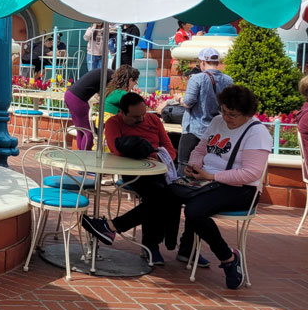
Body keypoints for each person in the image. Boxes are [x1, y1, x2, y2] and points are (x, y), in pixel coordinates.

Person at [170, 85, 271, 288]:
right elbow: (200, 150)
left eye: (232, 114)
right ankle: (123, 232)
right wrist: (195, 165)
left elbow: (251, 173)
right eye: (223, 111)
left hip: (241, 189)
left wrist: (212, 175)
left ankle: (228, 259)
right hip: (208, 181)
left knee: (195, 211)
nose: (226, 117)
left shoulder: (257, 132)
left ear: (247, 114)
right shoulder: (217, 122)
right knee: (165, 193)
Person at [82, 92, 176, 265]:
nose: (141, 119)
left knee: (162, 197)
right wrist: (139, 152)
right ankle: (151, 247)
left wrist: (156, 157)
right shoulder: (113, 123)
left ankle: (111, 227)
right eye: (135, 117)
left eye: (143, 114)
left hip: (157, 169)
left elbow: (170, 150)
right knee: (160, 197)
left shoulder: (154, 120)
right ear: (122, 113)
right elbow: (115, 149)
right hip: (131, 171)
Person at [177, 48, 233, 167]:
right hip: (217, 131)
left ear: (202, 62)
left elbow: (188, 102)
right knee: (209, 166)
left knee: (185, 165)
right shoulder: (228, 80)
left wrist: (179, 99)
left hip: (194, 130)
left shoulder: (197, 78)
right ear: (217, 63)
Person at [64, 66, 115, 151]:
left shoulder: (104, 72)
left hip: (69, 95)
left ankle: (81, 154)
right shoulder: (111, 77)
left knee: (80, 131)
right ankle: (85, 155)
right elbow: (107, 94)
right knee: (87, 132)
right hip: (78, 99)